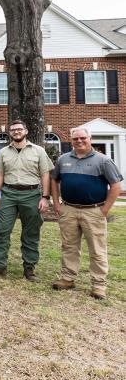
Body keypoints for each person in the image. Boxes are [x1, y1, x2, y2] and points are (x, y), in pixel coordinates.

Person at [51, 127, 123, 299]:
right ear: (71, 140)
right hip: (69, 209)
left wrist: (105, 209)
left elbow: (116, 186)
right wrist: (56, 203)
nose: (79, 141)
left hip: (94, 211)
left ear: (90, 138)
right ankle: (68, 278)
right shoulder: (63, 159)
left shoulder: (103, 160)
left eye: (83, 138)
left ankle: (98, 285)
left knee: (97, 249)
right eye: (75, 139)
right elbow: (54, 179)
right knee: (69, 246)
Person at [0, 120, 54, 281]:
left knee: (31, 232)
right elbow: (0, 175)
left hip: (31, 194)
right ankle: (0, 265)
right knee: (2, 230)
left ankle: (29, 268)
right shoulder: (3, 152)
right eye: (13, 130)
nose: (16, 132)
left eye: (19, 129)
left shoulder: (38, 151)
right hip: (8, 194)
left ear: (26, 131)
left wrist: (45, 197)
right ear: (10, 133)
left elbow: (45, 174)